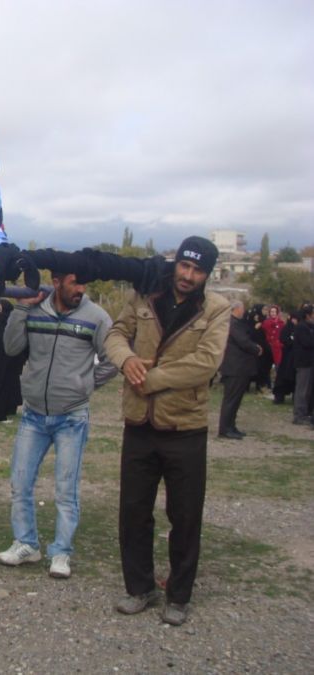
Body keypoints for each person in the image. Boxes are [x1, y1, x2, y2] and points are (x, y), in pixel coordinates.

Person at [105, 236, 230, 626]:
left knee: (186, 515)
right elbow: (114, 335)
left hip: (185, 427)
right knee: (134, 511)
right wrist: (126, 361)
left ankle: (179, 595)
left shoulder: (217, 309)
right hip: (139, 424)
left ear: (206, 274)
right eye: (184, 266)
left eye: (197, 271)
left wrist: (151, 378)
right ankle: (139, 587)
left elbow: (205, 363)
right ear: (176, 263)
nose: (188, 276)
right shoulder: (145, 295)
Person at [0, 272, 116, 579]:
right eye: (75, 282)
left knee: (66, 489)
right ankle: (26, 544)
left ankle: (61, 553)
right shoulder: (34, 310)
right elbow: (10, 348)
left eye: (83, 283)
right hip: (34, 414)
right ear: (57, 280)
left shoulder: (96, 317)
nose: (81, 289)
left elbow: (113, 358)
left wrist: (85, 385)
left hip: (72, 417)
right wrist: (21, 309)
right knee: (20, 482)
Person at [217, 301, 262, 439]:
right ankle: (225, 429)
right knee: (231, 400)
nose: (244, 311)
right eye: (242, 309)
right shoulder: (232, 324)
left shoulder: (236, 323)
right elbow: (243, 342)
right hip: (235, 367)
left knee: (236, 400)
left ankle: (231, 425)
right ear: (236, 309)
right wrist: (256, 349)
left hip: (240, 367)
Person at [292, 304, 314, 426]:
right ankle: (299, 415)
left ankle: (304, 412)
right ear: (308, 315)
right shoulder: (301, 327)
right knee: (302, 389)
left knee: (307, 390)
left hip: (309, 362)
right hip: (303, 362)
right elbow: (307, 342)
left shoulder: (308, 326)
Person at [262, 305, 285, 371]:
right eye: (272, 312)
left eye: (275, 312)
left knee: (278, 366)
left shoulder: (281, 323)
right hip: (268, 347)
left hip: (278, 347)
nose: (273, 313)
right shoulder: (265, 322)